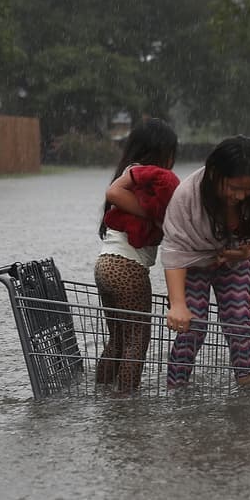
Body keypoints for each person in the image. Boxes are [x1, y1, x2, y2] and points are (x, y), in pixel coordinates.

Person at [160, 135, 250, 388]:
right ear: (214, 173)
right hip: (193, 262)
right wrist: (178, 305)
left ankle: (247, 387)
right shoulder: (187, 195)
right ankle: (175, 390)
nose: (241, 196)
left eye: (248, 189)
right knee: (193, 326)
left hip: (233, 260)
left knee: (239, 320)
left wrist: (248, 250)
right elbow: (174, 249)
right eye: (234, 188)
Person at [93, 118, 180, 393]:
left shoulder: (131, 176)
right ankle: (126, 401)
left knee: (118, 338)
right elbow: (126, 201)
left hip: (106, 264)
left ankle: (103, 390)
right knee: (136, 339)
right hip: (127, 269)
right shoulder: (143, 174)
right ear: (161, 152)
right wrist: (156, 216)